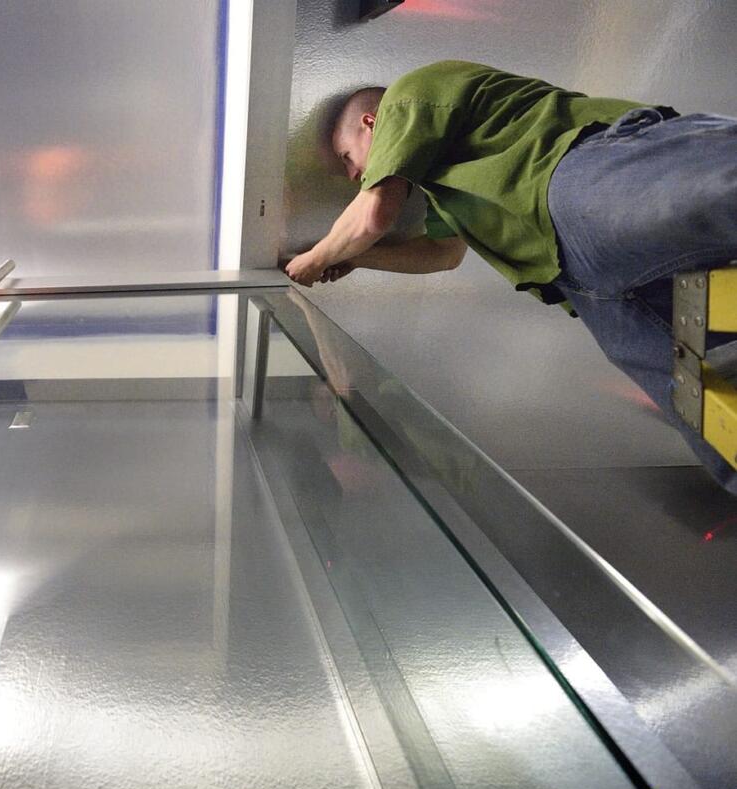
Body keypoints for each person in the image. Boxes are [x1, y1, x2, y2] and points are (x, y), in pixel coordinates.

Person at [285, 60, 737, 491]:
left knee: (716, 192)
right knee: (709, 413)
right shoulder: (443, 190)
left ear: (371, 122)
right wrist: (356, 259)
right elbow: (441, 255)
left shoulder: (411, 94)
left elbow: (374, 215)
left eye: (347, 158)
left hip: (567, 178)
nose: (352, 175)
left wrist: (312, 260)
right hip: (580, 280)